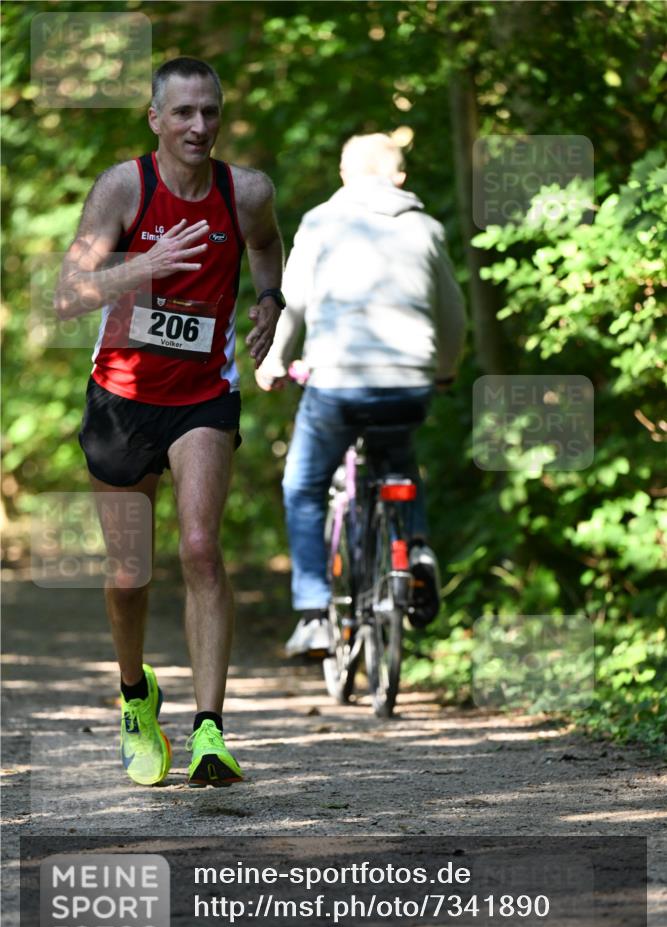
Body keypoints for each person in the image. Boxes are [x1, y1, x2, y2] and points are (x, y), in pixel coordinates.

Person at [55, 57, 284, 787]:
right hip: (121, 397)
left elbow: (265, 247)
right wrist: (142, 265)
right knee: (128, 572)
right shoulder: (126, 187)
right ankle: (134, 696)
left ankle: (209, 730)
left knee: (199, 547)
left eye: (210, 111)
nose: (199, 126)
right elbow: (68, 296)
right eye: (183, 112)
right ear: (155, 119)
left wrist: (270, 302)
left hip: (201, 396)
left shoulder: (245, 192)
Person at [256, 133, 466, 657]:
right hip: (409, 381)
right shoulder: (427, 228)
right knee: (399, 457)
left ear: (344, 176)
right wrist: (444, 371)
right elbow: (454, 315)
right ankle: (415, 551)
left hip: (339, 383)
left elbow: (293, 303)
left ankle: (313, 616)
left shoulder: (321, 223)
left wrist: (273, 361)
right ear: (399, 177)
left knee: (303, 487)